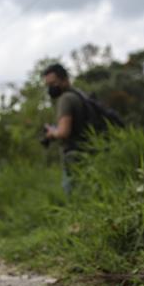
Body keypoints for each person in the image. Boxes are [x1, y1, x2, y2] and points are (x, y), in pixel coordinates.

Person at [42, 63, 87, 195]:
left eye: (53, 83)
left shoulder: (65, 99)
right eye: (48, 85)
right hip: (88, 152)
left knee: (75, 195)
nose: (51, 88)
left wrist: (51, 133)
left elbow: (63, 132)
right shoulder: (80, 95)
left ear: (65, 79)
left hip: (74, 157)